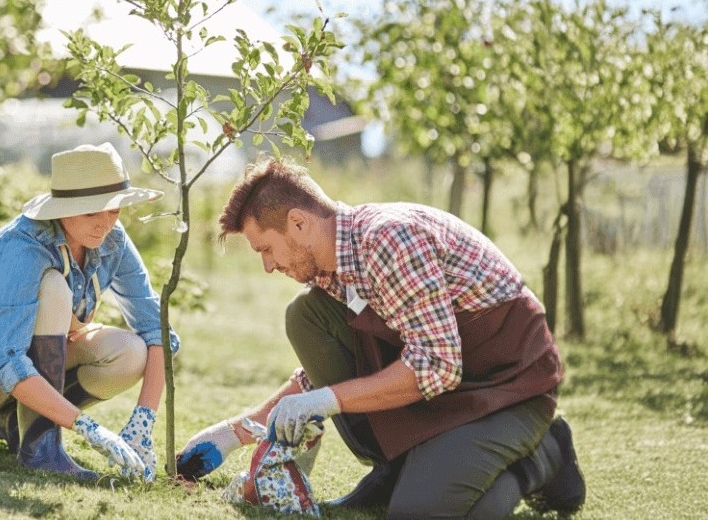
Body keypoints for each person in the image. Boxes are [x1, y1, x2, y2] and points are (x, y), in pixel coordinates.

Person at [177, 158, 585, 518]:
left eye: (266, 249)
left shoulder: (390, 241)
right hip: (449, 388)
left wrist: (327, 401)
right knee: (306, 315)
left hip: (507, 388)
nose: (268, 266)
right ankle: (400, 467)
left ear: (299, 223)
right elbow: (321, 374)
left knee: (420, 511)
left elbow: (436, 366)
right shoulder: (333, 266)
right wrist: (233, 432)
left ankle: (544, 451)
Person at [0, 142, 179, 483]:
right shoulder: (25, 244)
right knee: (54, 287)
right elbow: (6, 360)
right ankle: (41, 447)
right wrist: (88, 428)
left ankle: (17, 424)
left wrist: (143, 420)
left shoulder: (111, 239)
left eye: (114, 210)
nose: (105, 223)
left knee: (131, 353)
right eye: (92, 212)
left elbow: (155, 329)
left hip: (12, 369)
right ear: (63, 208)